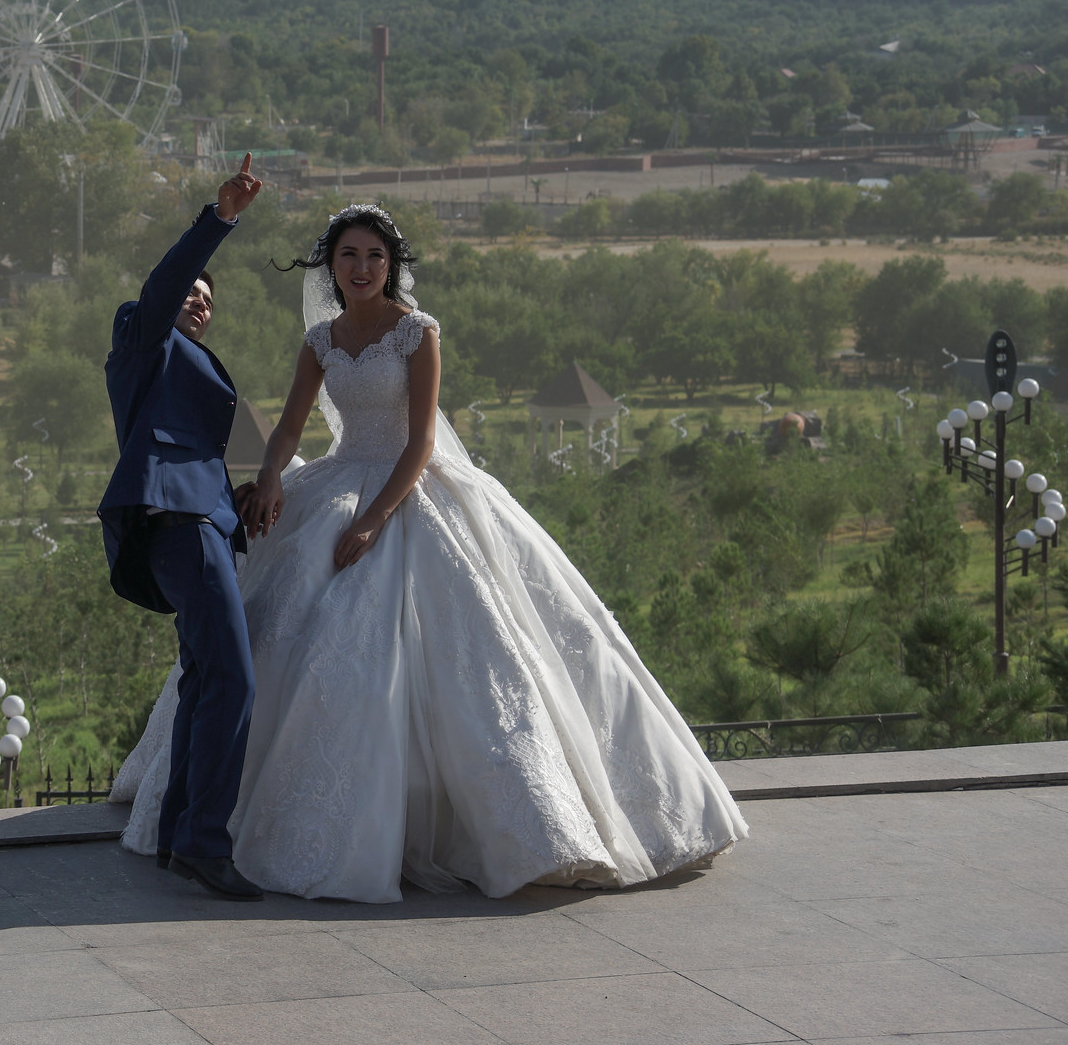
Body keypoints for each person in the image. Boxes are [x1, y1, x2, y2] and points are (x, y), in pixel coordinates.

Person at [113, 205, 748, 903]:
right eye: (348, 256)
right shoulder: (319, 340)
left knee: (480, 653)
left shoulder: (418, 334)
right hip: (335, 480)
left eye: (373, 258)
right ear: (332, 268)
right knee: (269, 638)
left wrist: (376, 519)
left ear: (391, 268)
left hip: (410, 490)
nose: (360, 268)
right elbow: (290, 426)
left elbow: (419, 443)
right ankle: (206, 824)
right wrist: (268, 478)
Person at [97, 155, 266, 902]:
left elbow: (214, 448)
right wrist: (218, 220)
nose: (198, 300)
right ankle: (205, 840)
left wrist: (253, 491)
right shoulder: (145, 342)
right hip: (179, 520)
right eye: (189, 292)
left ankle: (177, 838)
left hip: (205, 518)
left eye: (208, 296)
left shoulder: (187, 365)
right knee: (232, 675)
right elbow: (163, 288)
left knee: (204, 678)